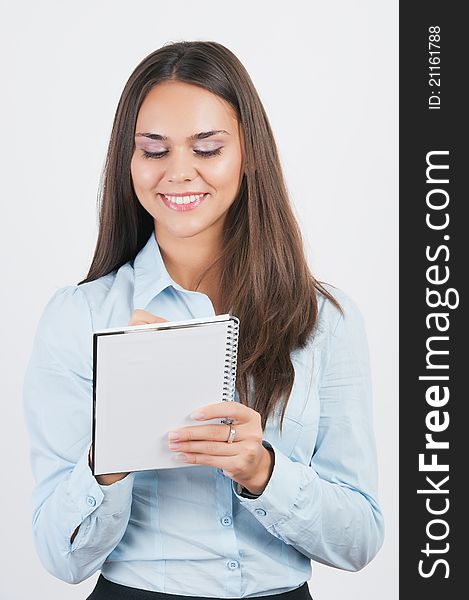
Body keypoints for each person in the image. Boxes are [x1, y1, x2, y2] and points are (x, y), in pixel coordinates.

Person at [23, 41, 384, 600]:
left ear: (249, 155)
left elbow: (359, 541)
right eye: (154, 150)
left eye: (208, 148)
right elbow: (59, 556)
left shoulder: (325, 320)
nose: (179, 173)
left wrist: (263, 472)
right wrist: (108, 457)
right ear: (130, 161)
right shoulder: (80, 317)